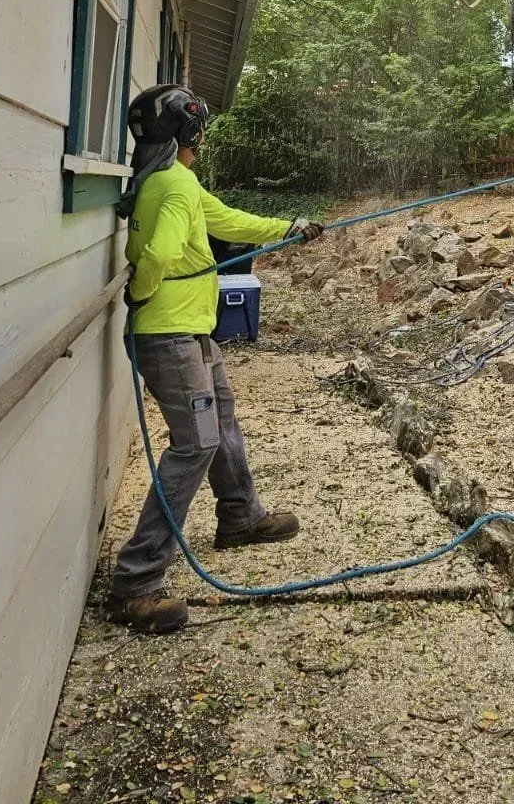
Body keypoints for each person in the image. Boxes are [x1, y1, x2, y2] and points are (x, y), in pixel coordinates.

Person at [105, 84, 324, 634]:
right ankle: (136, 579)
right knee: (197, 441)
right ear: (187, 132)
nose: (201, 140)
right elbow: (156, 256)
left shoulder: (168, 181)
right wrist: (142, 292)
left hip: (190, 331)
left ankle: (240, 515)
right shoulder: (176, 187)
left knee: (221, 415)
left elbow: (228, 221)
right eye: (197, 130)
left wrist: (288, 231)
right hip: (170, 334)